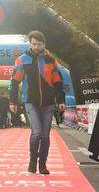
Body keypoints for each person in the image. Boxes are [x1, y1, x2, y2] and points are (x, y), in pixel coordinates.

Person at [9, 31, 65, 175]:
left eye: (39, 44)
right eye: (34, 44)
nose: (36, 47)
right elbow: (14, 82)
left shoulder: (51, 60)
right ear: (30, 43)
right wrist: (13, 101)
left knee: (45, 135)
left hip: (48, 103)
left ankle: (43, 164)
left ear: (44, 44)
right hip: (30, 102)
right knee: (37, 132)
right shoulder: (22, 60)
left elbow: (58, 81)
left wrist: (61, 100)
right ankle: (33, 161)